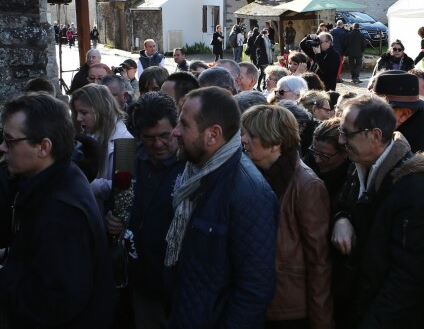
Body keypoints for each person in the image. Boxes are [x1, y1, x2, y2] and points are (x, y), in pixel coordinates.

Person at [332, 95, 424, 328]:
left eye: (347, 133)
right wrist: (341, 218)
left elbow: (409, 278)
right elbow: (342, 201)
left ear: (375, 135)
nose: (340, 140)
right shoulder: (360, 163)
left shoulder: (416, 190)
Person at [0, 93, 115, 327]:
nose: (2, 147)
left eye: (9, 140)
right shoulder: (55, 179)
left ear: (43, 147)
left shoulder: (60, 212)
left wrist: (4, 274)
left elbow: (55, 301)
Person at [167, 87, 278, 327]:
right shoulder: (196, 171)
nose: (174, 132)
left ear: (213, 135)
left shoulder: (249, 193)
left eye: (184, 125)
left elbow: (255, 288)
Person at [241, 105, 333, 328]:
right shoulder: (249, 174)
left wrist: (321, 321)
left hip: (287, 308)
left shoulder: (307, 185)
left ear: (275, 142)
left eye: (249, 134)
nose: (242, 139)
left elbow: (318, 259)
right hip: (252, 300)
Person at [105, 92, 185, 329]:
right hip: (140, 278)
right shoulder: (128, 159)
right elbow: (116, 201)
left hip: (178, 281)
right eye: (149, 138)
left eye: (164, 135)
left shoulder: (191, 164)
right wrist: (112, 218)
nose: (158, 144)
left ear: (176, 128)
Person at [70, 84, 133, 214]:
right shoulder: (85, 136)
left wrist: (83, 183)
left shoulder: (125, 142)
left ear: (101, 110)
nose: (78, 118)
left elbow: (125, 190)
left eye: (84, 112)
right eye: (76, 112)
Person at [373, 71, 424, 156]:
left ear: (404, 115)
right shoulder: (403, 130)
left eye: (379, 111)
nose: (370, 116)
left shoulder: (421, 150)